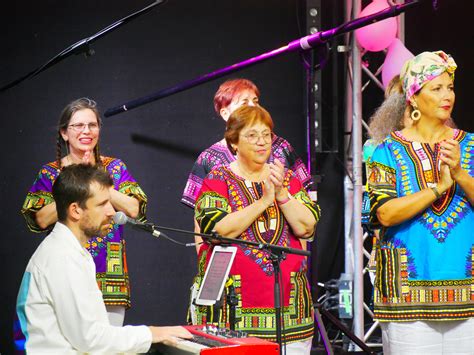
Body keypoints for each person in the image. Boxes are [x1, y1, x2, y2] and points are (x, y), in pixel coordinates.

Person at [15, 164, 191, 353]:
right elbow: (90, 339)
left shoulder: (72, 252)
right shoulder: (62, 258)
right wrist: (151, 334)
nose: (112, 212)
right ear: (75, 210)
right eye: (101, 204)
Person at [190, 105, 320, 355]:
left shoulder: (288, 179)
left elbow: (307, 226)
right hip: (232, 314)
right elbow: (216, 230)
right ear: (234, 142)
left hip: (290, 315)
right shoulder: (218, 179)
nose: (262, 142)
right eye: (252, 135)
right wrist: (262, 202)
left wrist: (281, 194)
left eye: (267, 134)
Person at [367, 50, 474, 354]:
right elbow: (384, 214)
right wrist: (437, 188)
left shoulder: (471, 145)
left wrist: (460, 176)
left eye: (450, 87)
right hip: (407, 299)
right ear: (414, 96)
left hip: (467, 294)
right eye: (436, 88)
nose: (447, 96)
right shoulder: (385, 150)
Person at [21, 98, 147, 326]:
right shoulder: (51, 173)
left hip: (110, 279)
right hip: (65, 274)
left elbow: (133, 209)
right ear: (64, 133)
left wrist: (96, 179)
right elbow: (39, 219)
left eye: (92, 125)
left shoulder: (115, 168)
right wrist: (72, 182)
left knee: (109, 346)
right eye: (78, 126)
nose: (86, 131)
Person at [181, 78, 312, 252]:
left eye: (255, 101)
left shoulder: (281, 148)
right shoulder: (209, 159)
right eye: (244, 102)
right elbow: (201, 222)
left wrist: (300, 260)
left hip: (283, 257)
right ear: (225, 113)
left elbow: (305, 205)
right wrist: (205, 265)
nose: (253, 106)